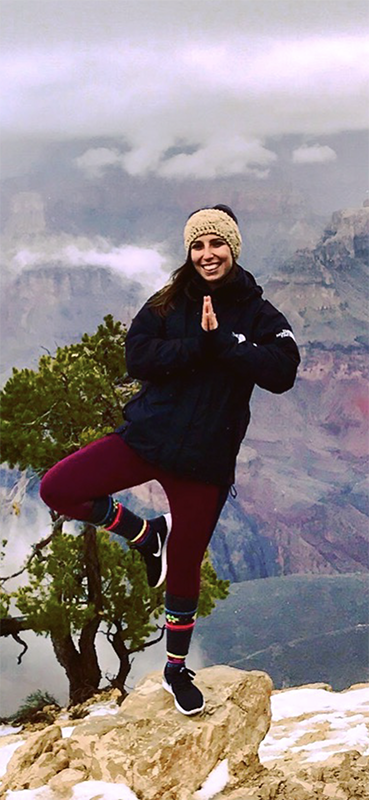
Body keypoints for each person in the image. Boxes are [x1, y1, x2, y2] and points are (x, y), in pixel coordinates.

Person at [40, 204, 300, 716]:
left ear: (234, 248)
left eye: (216, 244)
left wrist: (225, 340)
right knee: (59, 487)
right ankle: (144, 533)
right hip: (148, 437)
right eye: (198, 245)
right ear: (189, 251)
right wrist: (197, 347)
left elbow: (282, 371)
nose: (207, 254)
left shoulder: (258, 313)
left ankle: (176, 668)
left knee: (184, 567)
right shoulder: (166, 302)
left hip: (205, 458)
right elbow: (137, 356)